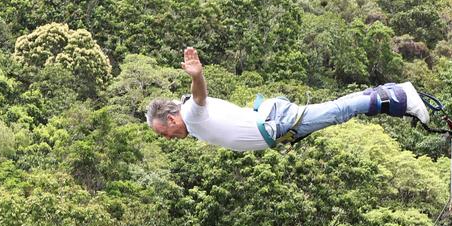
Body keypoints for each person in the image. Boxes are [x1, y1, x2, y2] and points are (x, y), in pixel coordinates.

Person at [147, 47, 430, 151]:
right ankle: (395, 94)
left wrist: (197, 75)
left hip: (276, 123)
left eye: (165, 134)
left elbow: (199, 97)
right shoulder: (191, 119)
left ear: (171, 119)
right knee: (337, 111)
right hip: (275, 123)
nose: (168, 139)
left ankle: (400, 95)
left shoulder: (191, 116)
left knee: (339, 111)